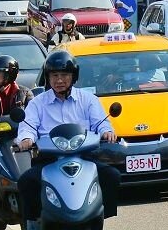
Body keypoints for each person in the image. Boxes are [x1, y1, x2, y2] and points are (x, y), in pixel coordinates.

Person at [14, 51, 119, 225]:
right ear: (48, 77)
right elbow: (28, 126)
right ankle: (34, 221)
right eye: (54, 75)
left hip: (84, 157)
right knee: (25, 182)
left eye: (64, 75)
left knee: (112, 176)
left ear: (73, 77)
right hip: (48, 161)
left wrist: (107, 132)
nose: (59, 80)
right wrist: (26, 139)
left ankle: (100, 214)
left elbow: (101, 123)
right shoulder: (37, 103)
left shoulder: (88, 100)